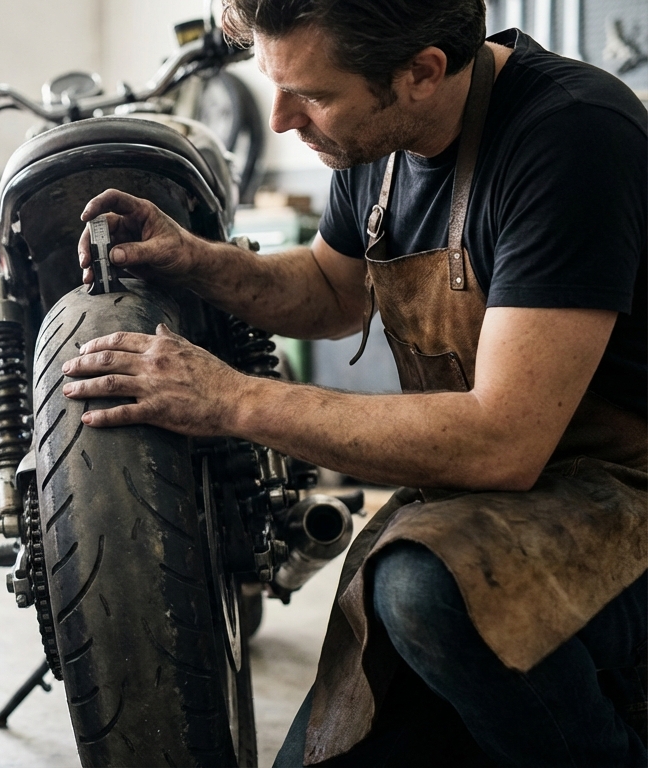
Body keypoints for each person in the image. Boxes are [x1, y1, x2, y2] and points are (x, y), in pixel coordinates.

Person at [59, 0, 647, 765]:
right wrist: (198, 260)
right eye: (275, 85)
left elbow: (504, 441)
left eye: (312, 95)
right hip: (485, 504)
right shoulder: (379, 140)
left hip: (623, 499)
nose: (279, 120)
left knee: (421, 587)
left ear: (421, 73)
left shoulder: (572, 135)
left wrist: (231, 398)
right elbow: (331, 291)